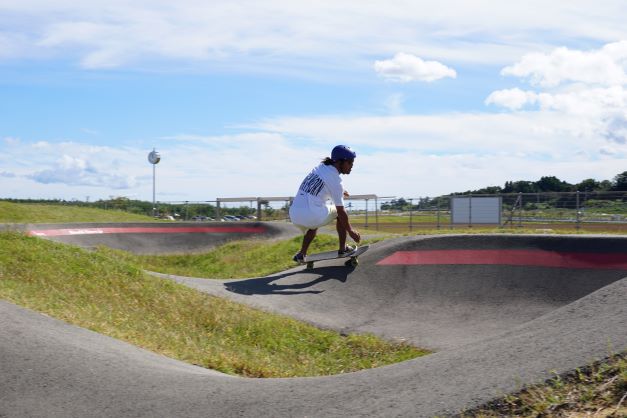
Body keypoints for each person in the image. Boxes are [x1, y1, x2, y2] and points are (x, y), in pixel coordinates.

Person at [289, 145, 361, 264]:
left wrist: (341, 191)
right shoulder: (336, 181)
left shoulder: (320, 168)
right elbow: (341, 211)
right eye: (350, 162)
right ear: (339, 162)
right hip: (311, 214)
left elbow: (322, 183)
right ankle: (343, 249)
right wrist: (351, 231)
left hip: (294, 214)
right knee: (339, 213)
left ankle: (302, 254)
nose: (352, 166)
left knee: (314, 221)